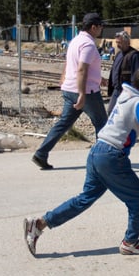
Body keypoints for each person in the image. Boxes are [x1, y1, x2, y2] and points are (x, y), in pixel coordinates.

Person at [23, 64, 139, 256]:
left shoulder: (125, 96)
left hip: (97, 151)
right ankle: (131, 241)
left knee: (84, 198)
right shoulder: (138, 103)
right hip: (112, 156)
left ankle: (40, 223)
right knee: (137, 197)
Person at [31, 13, 109, 170]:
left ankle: (41, 153)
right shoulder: (88, 44)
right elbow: (81, 69)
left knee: (63, 123)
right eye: (100, 26)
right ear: (93, 27)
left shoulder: (75, 41)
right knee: (102, 124)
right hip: (86, 92)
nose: (101, 29)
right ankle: (103, 160)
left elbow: (71, 64)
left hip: (70, 88)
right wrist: (81, 94)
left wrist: (97, 78)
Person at [107, 31, 139, 114]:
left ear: (127, 42)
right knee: (111, 112)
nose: (117, 45)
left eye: (119, 42)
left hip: (127, 92)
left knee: (124, 114)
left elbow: (138, 76)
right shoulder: (119, 54)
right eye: (116, 42)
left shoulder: (134, 55)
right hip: (117, 90)